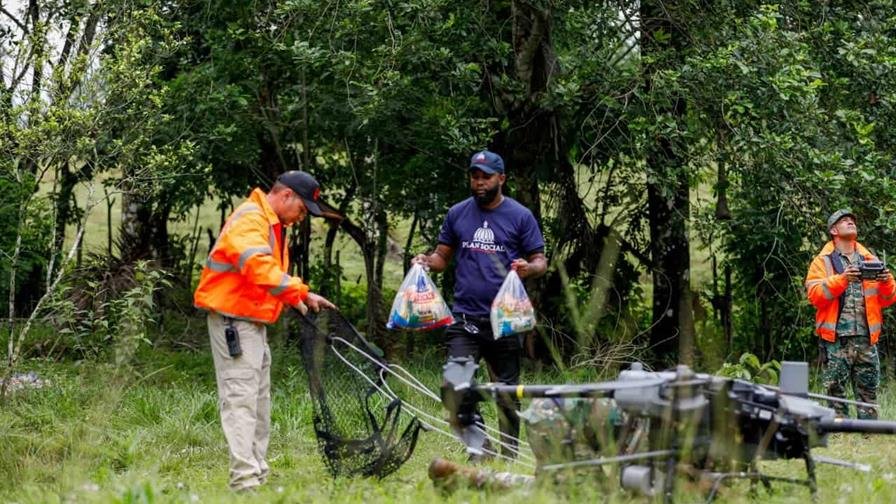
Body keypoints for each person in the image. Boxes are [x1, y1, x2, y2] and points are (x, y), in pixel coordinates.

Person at [194, 170, 336, 491]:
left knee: (258, 401)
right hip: (234, 323)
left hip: (250, 323)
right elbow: (258, 267)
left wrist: (300, 300)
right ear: (286, 196)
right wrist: (300, 292)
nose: (302, 218)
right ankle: (244, 482)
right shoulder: (251, 218)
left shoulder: (269, 222)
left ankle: (256, 475)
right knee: (241, 400)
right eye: (302, 209)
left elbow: (264, 278)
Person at [414, 150, 547, 459]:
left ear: (501, 178)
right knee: (454, 385)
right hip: (465, 318)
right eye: (475, 176)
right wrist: (426, 262)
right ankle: (480, 447)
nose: (479, 182)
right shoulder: (458, 213)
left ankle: (509, 455)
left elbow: (540, 260)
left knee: (506, 392)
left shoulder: (520, 216)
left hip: (506, 319)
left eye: (486, 176)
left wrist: (530, 268)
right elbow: (442, 257)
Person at [805, 209, 896, 419]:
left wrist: (887, 280)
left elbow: (889, 298)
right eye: (844, 221)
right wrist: (843, 278)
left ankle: (869, 434)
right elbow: (815, 295)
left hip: (866, 339)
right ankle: (839, 434)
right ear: (833, 230)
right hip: (836, 340)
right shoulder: (823, 262)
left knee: (868, 393)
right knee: (835, 391)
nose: (850, 222)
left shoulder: (870, 259)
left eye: (853, 220)